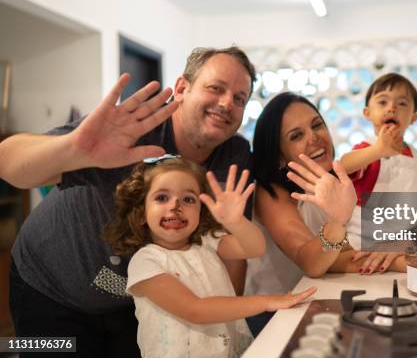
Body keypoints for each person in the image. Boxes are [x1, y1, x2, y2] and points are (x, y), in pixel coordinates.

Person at [0, 46, 256, 357]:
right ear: (181, 89)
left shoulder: (235, 157)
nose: (227, 103)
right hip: (46, 286)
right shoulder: (132, 131)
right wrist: (74, 149)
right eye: (215, 88)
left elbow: (232, 253)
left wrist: (226, 330)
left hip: (131, 300)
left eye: (240, 98)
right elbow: (8, 162)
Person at [104, 157, 315, 358]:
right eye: (162, 197)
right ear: (141, 214)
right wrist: (267, 301)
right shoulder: (145, 262)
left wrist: (235, 222)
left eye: (188, 199)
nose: (175, 205)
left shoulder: (207, 242)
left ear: (201, 211)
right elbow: (196, 310)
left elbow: (254, 248)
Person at [245, 92, 407, 309]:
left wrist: (401, 246)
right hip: (272, 313)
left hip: (318, 300)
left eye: (317, 125)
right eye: (296, 136)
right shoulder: (270, 193)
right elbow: (311, 262)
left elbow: (350, 253)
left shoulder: (332, 181)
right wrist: (338, 222)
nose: (314, 137)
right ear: (279, 157)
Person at [340, 72, 417, 261]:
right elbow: (342, 167)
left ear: (413, 117)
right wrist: (378, 150)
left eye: (402, 103)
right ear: (367, 113)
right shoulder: (366, 151)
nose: (392, 108)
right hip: (364, 243)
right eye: (382, 102)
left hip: (405, 243)